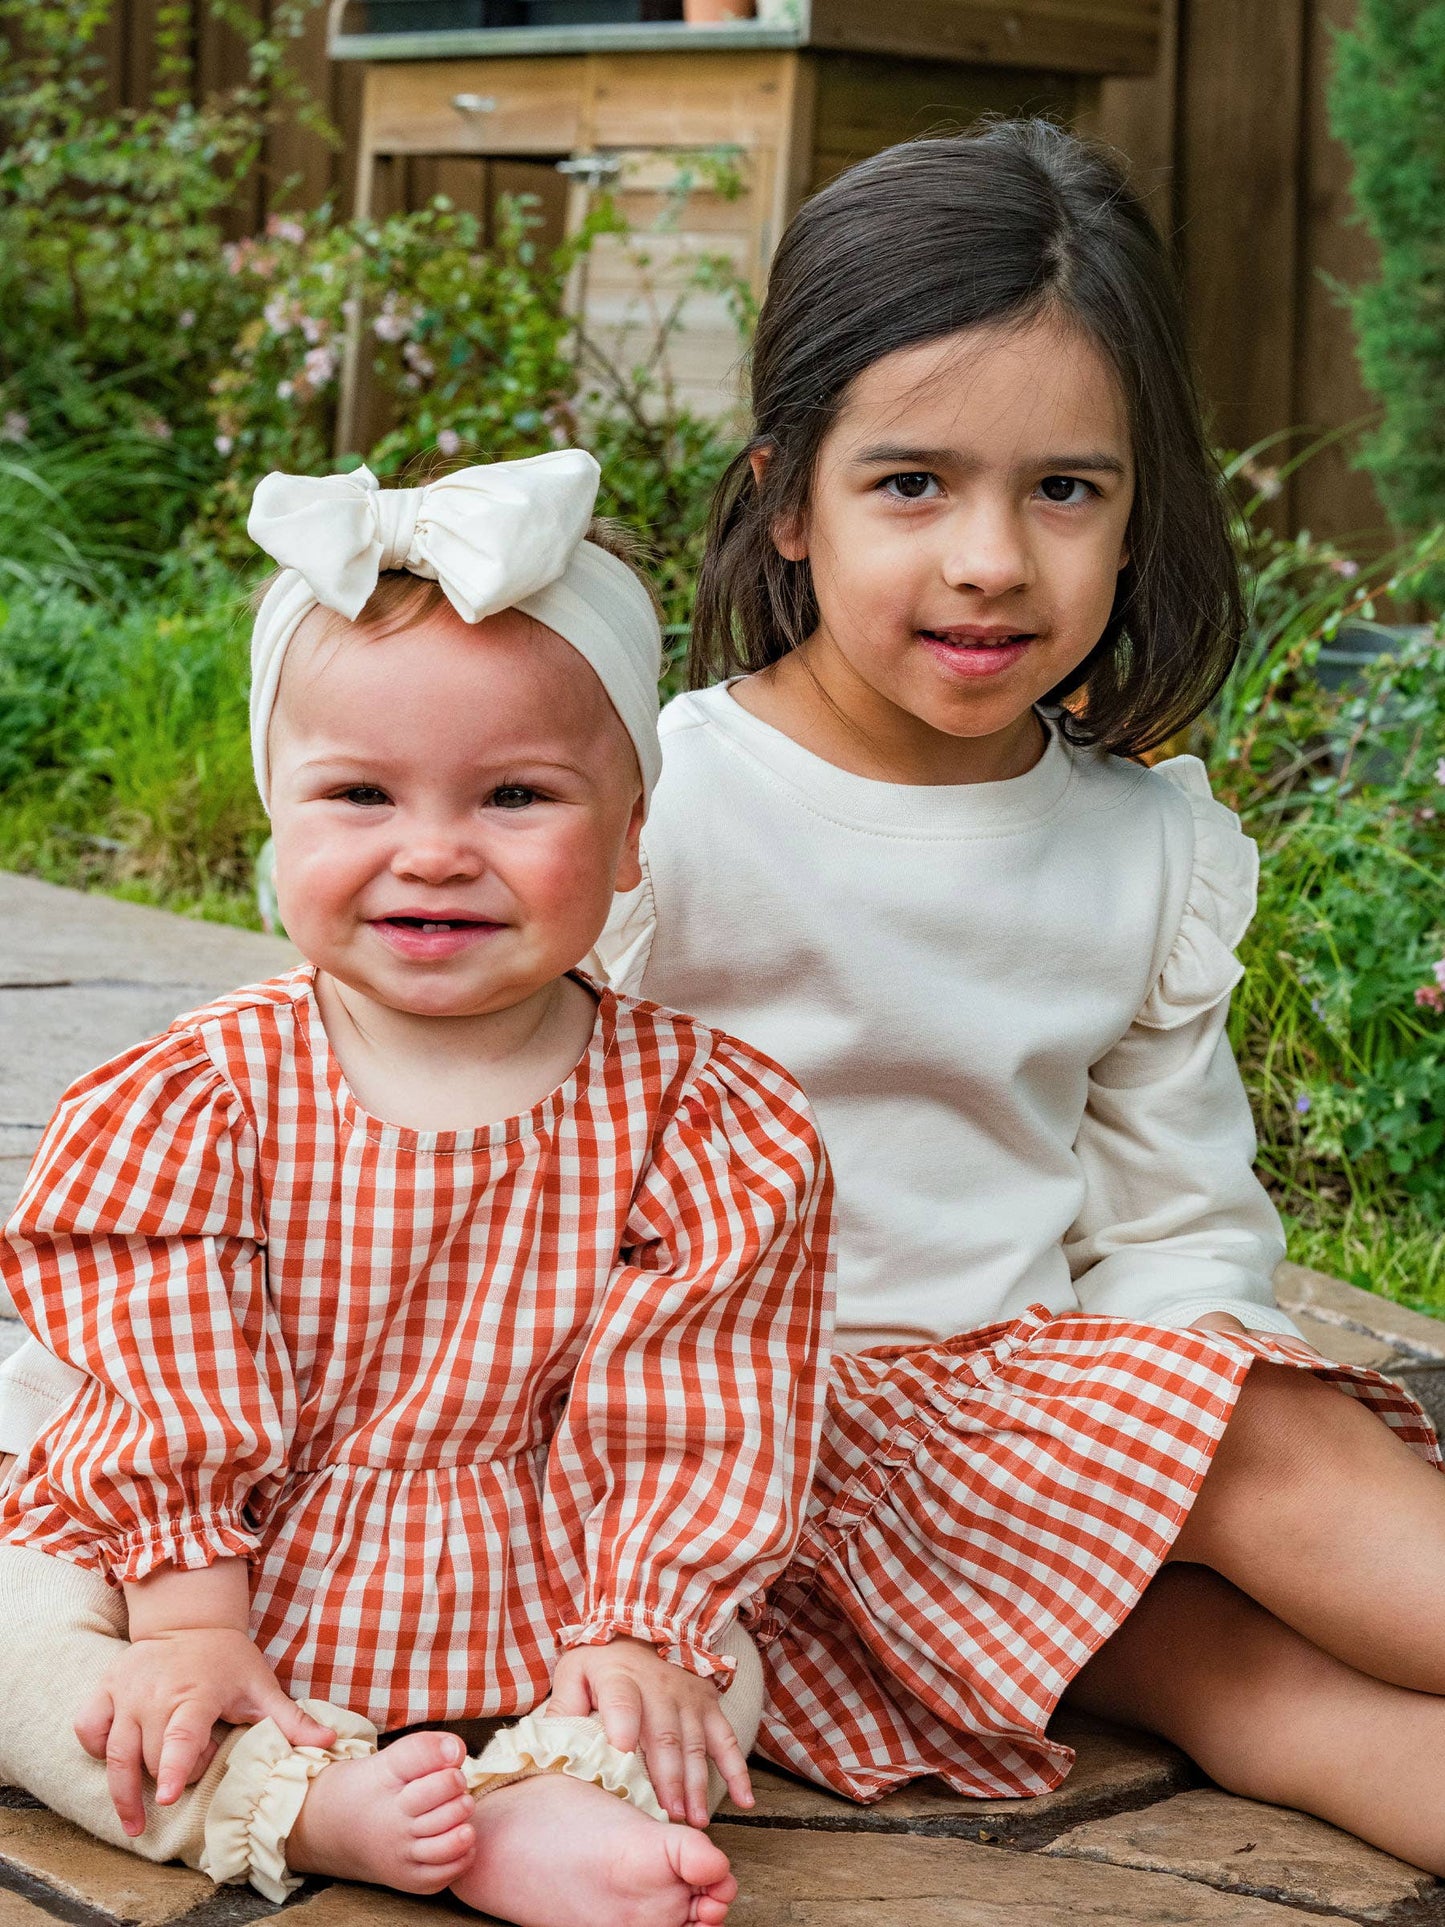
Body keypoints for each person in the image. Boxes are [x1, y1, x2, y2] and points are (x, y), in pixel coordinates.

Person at [588, 120, 1445, 1874]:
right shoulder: (652, 814)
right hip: (727, 1473)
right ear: (783, 499)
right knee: (1261, 1444)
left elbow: (1179, 1226)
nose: (991, 559)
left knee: (1247, 1684)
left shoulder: (1138, 848)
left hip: (1032, 1479)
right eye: (911, 484)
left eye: (1064, 489)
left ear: (1137, 516)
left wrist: (1166, 1402)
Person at [0, 450, 834, 1927]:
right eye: (360, 794)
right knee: (29, 1646)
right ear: (277, 823)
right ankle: (289, 1806)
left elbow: (694, 1414)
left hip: (539, 1570)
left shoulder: (705, 1122)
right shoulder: (196, 1100)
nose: (434, 852)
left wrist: (640, 1630)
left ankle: (548, 1795)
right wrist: (187, 1620)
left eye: (516, 794)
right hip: (218, 1554)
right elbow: (163, 1382)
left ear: (634, 832)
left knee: (716, 1670)